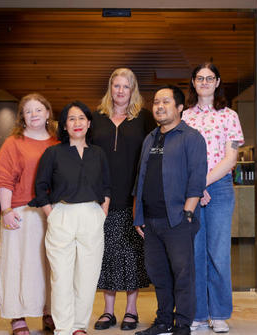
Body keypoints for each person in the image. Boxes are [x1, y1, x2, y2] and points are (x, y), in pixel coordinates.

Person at [29, 101, 111, 335]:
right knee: (62, 278)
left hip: (92, 215)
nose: (77, 123)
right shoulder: (53, 153)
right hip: (62, 215)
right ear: (64, 125)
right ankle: (63, 329)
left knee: (87, 278)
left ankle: (79, 327)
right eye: (71, 119)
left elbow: (106, 186)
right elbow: (40, 187)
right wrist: (52, 216)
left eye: (82, 118)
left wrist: (102, 213)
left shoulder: (98, 153)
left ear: (89, 123)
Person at [132, 85, 207, 335]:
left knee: (183, 275)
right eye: (156, 102)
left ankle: (183, 323)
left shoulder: (191, 137)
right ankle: (163, 321)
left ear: (179, 107)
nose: (159, 106)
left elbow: (197, 177)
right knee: (159, 275)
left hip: (177, 219)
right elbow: (140, 179)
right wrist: (138, 216)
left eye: (166, 102)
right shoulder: (150, 138)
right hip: (150, 221)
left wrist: (187, 213)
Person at [0, 93, 59, 335]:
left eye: (38, 110)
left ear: (48, 113)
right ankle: (16, 315)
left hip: (51, 212)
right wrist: (5, 210)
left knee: (48, 265)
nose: (34, 115)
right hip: (20, 210)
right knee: (16, 264)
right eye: (28, 111)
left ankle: (48, 311)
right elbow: (3, 179)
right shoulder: (13, 143)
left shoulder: (58, 141)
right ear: (22, 117)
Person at [182, 62, 245, 333]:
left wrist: (202, 183)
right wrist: (194, 187)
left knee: (218, 253)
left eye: (210, 78)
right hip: (190, 190)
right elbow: (179, 157)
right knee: (193, 253)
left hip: (218, 189)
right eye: (200, 78)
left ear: (218, 82)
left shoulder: (230, 115)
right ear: (193, 83)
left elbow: (231, 158)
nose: (205, 82)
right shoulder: (183, 116)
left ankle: (219, 312)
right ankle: (197, 313)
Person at [91, 68, 155, 331]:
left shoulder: (145, 119)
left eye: (125, 87)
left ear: (133, 89)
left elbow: (154, 156)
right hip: (101, 200)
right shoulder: (96, 118)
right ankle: (108, 312)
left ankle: (131, 311)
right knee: (104, 256)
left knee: (131, 256)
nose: (120, 91)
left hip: (133, 198)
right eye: (116, 86)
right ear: (110, 88)